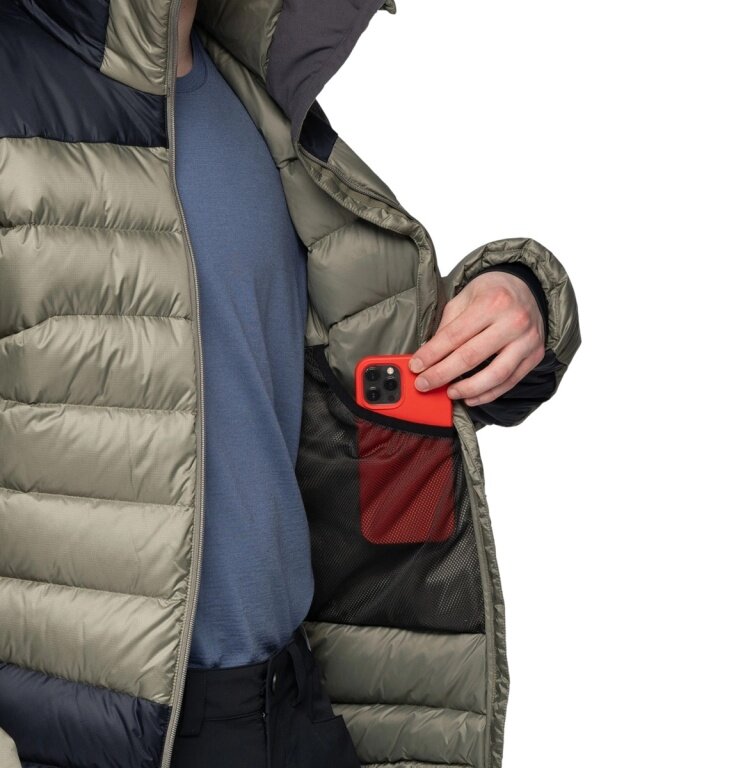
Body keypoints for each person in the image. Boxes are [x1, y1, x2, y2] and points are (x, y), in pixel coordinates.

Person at [0, 1, 581, 767]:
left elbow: (392, 375)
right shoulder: (16, 94)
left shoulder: (256, 102)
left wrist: (521, 298)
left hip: (296, 704)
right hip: (97, 736)